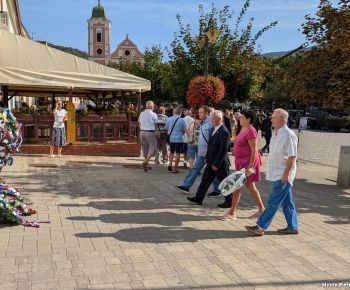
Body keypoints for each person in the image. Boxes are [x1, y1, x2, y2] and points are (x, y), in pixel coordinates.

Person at [245, 108, 299, 236]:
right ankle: (293, 226)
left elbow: (292, 157)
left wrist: (286, 174)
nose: (271, 119)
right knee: (287, 202)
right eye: (272, 117)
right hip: (276, 173)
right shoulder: (275, 132)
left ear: (282, 120)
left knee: (273, 201)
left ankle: (260, 226)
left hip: (282, 175)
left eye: (274, 118)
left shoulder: (289, 135)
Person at [220, 109, 265, 221]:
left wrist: (250, 166)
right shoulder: (243, 128)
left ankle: (233, 212)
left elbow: (254, 150)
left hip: (248, 163)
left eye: (242, 117)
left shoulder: (251, 131)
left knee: (244, 186)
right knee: (241, 186)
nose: (239, 118)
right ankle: (259, 210)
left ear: (248, 119)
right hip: (241, 162)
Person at [175, 106, 221, 201]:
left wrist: (209, 151)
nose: (199, 114)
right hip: (202, 152)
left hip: (208, 153)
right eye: (199, 112)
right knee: (195, 169)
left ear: (206, 113)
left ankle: (218, 190)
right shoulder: (203, 122)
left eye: (201, 112)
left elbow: (213, 139)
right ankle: (186, 186)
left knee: (214, 171)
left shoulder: (211, 123)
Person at [187, 110, 232, 207]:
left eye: (213, 119)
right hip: (210, 160)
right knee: (205, 180)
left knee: (224, 183)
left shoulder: (224, 132)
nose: (211, 120)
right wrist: (207, 156)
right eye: (211, 118)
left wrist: (216, 164)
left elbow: (223, 150)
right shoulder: (213, 129)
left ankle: (229, 202)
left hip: (220, 163)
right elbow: (210, 145)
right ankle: (198, 198)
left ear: (219, 119)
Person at [165, 107, 186, 173]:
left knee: (171, 152)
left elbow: (166, 128)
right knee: (178, 153)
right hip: (179, 139)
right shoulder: (182, 120)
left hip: (171, 138)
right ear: (180, 113)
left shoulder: (169, 118)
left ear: (174, 112)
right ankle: (175, 168)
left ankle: (170, 164)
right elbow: (184, 130)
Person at [138, 101, 158, 172]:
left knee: (144, 148)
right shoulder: (154, 114)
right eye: (153, 106)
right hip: (150, 132)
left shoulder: (141, 113)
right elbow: (156, 125)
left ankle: (147, 163)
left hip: (142, 132)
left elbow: (139, 123)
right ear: (151, 107)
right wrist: (155, 131)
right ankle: (146, 161)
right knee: (153, 148)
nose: (153, 107)